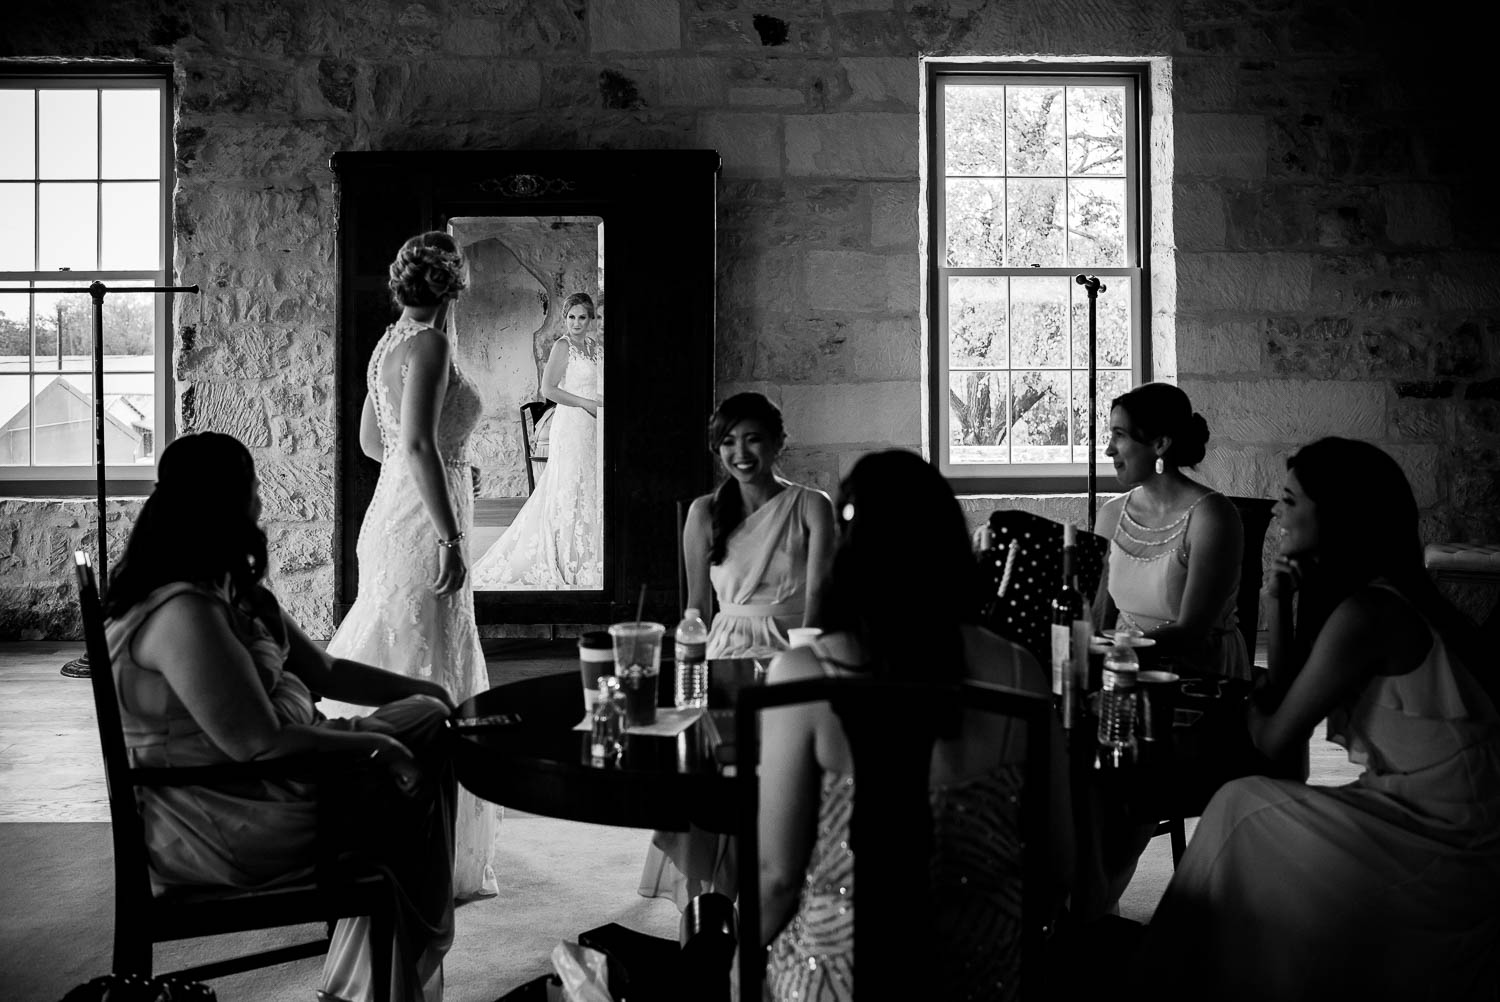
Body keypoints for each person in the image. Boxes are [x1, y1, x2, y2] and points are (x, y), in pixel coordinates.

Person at [1134, 438, 1500, 1000]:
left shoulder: (1369, 614)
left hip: (1445, 837)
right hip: (1422, 808)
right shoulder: (1383, 599)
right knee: (1247, 811)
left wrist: (1253, 706)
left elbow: (1277, 739)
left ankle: (1168, 978)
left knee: (1240, 805)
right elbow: (1285, 702)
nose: (1277, 512)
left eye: (1290, 500)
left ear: (1337, 515)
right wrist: (1278, 600)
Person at [104, 432, 459, 1002]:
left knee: (429, 718)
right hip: (227, 813)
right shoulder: (182, 613)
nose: (261, 504)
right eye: (252, 490)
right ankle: (379, 971)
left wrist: (429, 688)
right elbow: (257, 744)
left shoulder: (231, 589)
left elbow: (324, 672)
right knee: (413, 778)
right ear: (224, 506)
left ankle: (378, 966)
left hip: (272, 776)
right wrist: (381, 749)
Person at [757, 450, 1073, 1002]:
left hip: (839, 974)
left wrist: (734, 955)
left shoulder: (804, 677)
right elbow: (1058, 864)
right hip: (985, 973)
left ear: (848, 553)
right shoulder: (1021, 669)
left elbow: (778, 878)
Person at [320, 230, 498, 899]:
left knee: (400, 638)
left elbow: (377, 441)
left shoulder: (388, 343)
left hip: (393, 510)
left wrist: (427, 462)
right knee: (424, 651)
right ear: (453, 289)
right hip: (424, 521)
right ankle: (409, 826)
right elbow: (418, 442)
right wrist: (450, 533)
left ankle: (378, 813)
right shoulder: (431, 343)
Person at [637, 392, 836, 907]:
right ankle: (715, 904)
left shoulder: (812, 506)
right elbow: (698, 608)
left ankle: (781, 886)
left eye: (752, 439)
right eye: (728, 442)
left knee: (782, 776)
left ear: (778, 443)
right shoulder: (704, 513)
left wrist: (800, 668)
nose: (741, 452)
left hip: (793, 651)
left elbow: (819, 604)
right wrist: (686, 653)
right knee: (713, 774)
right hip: (724, 653)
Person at [1093, 382, 1249, 680]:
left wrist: (1120, 652)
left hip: (1200, 672)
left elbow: (1193, 629)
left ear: (1160, 444)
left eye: (1120, 435)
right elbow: (1102, 613)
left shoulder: (1212, 516)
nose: (1108, 448)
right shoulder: (1111, 515)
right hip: (1124, 667)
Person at [471, 292, 603, 590]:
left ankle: (588, 553)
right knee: (567, 484)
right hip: (572, 424)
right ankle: (562, 556)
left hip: (594, 425)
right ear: (564, 318)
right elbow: (549, 390)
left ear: (591, 319)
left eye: (582, 317)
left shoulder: (595, 347)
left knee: (590, 485)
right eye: (571, 317)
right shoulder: (562, 346)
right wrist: (585, 403)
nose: (576, 323)